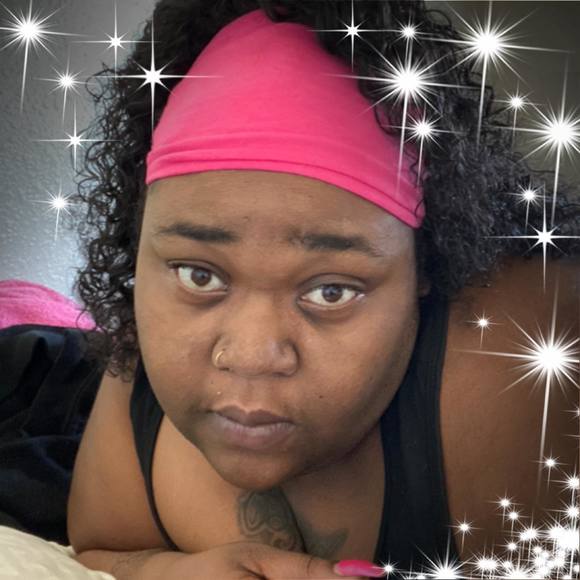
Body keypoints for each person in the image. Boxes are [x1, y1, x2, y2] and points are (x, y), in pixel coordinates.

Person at [66, 1, 579, 579]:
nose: (252, 356)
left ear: (424, 266)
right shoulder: (140, 348)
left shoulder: (526, 361)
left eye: (332, 291)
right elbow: (101, 547)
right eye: (199, 275)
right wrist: (167, 572)